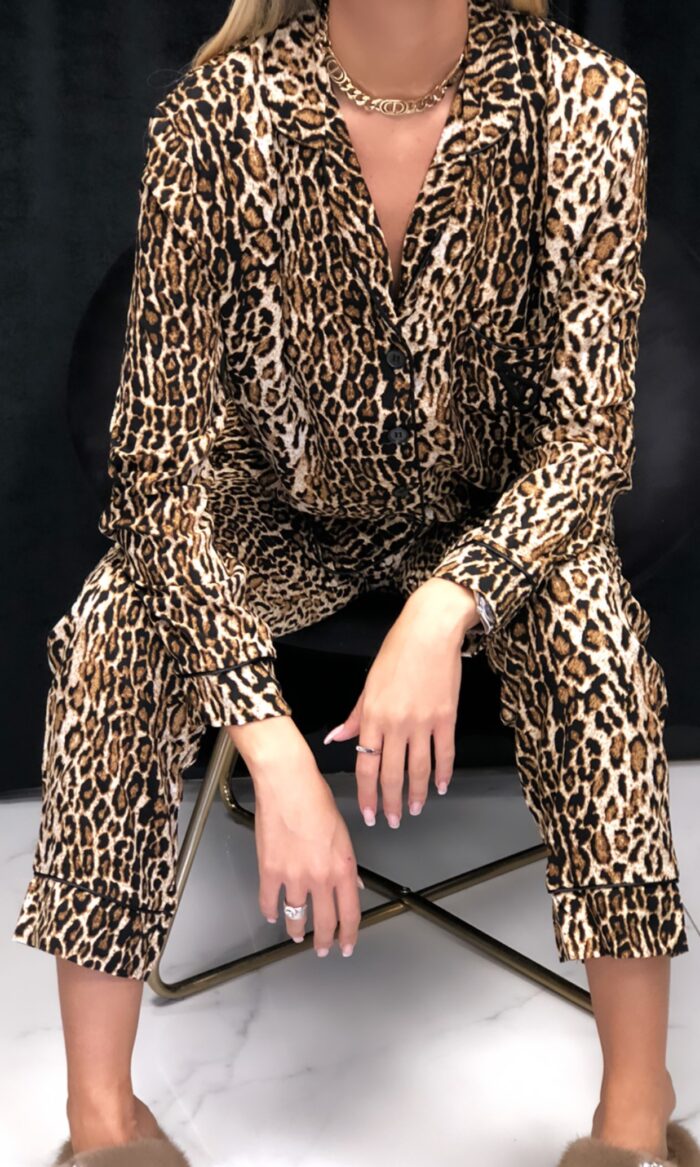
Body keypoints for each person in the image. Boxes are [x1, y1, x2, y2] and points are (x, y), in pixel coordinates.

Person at [11, 1, 699, 1165]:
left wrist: (442, 609)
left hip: (489, 519)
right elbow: (156, 465)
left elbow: (585, 444)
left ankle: (636, 1116)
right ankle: (103, 1126)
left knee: (593, 637)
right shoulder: (215, 117)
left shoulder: (586, 99)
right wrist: (269, 741)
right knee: (111, 633)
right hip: (269, 511)